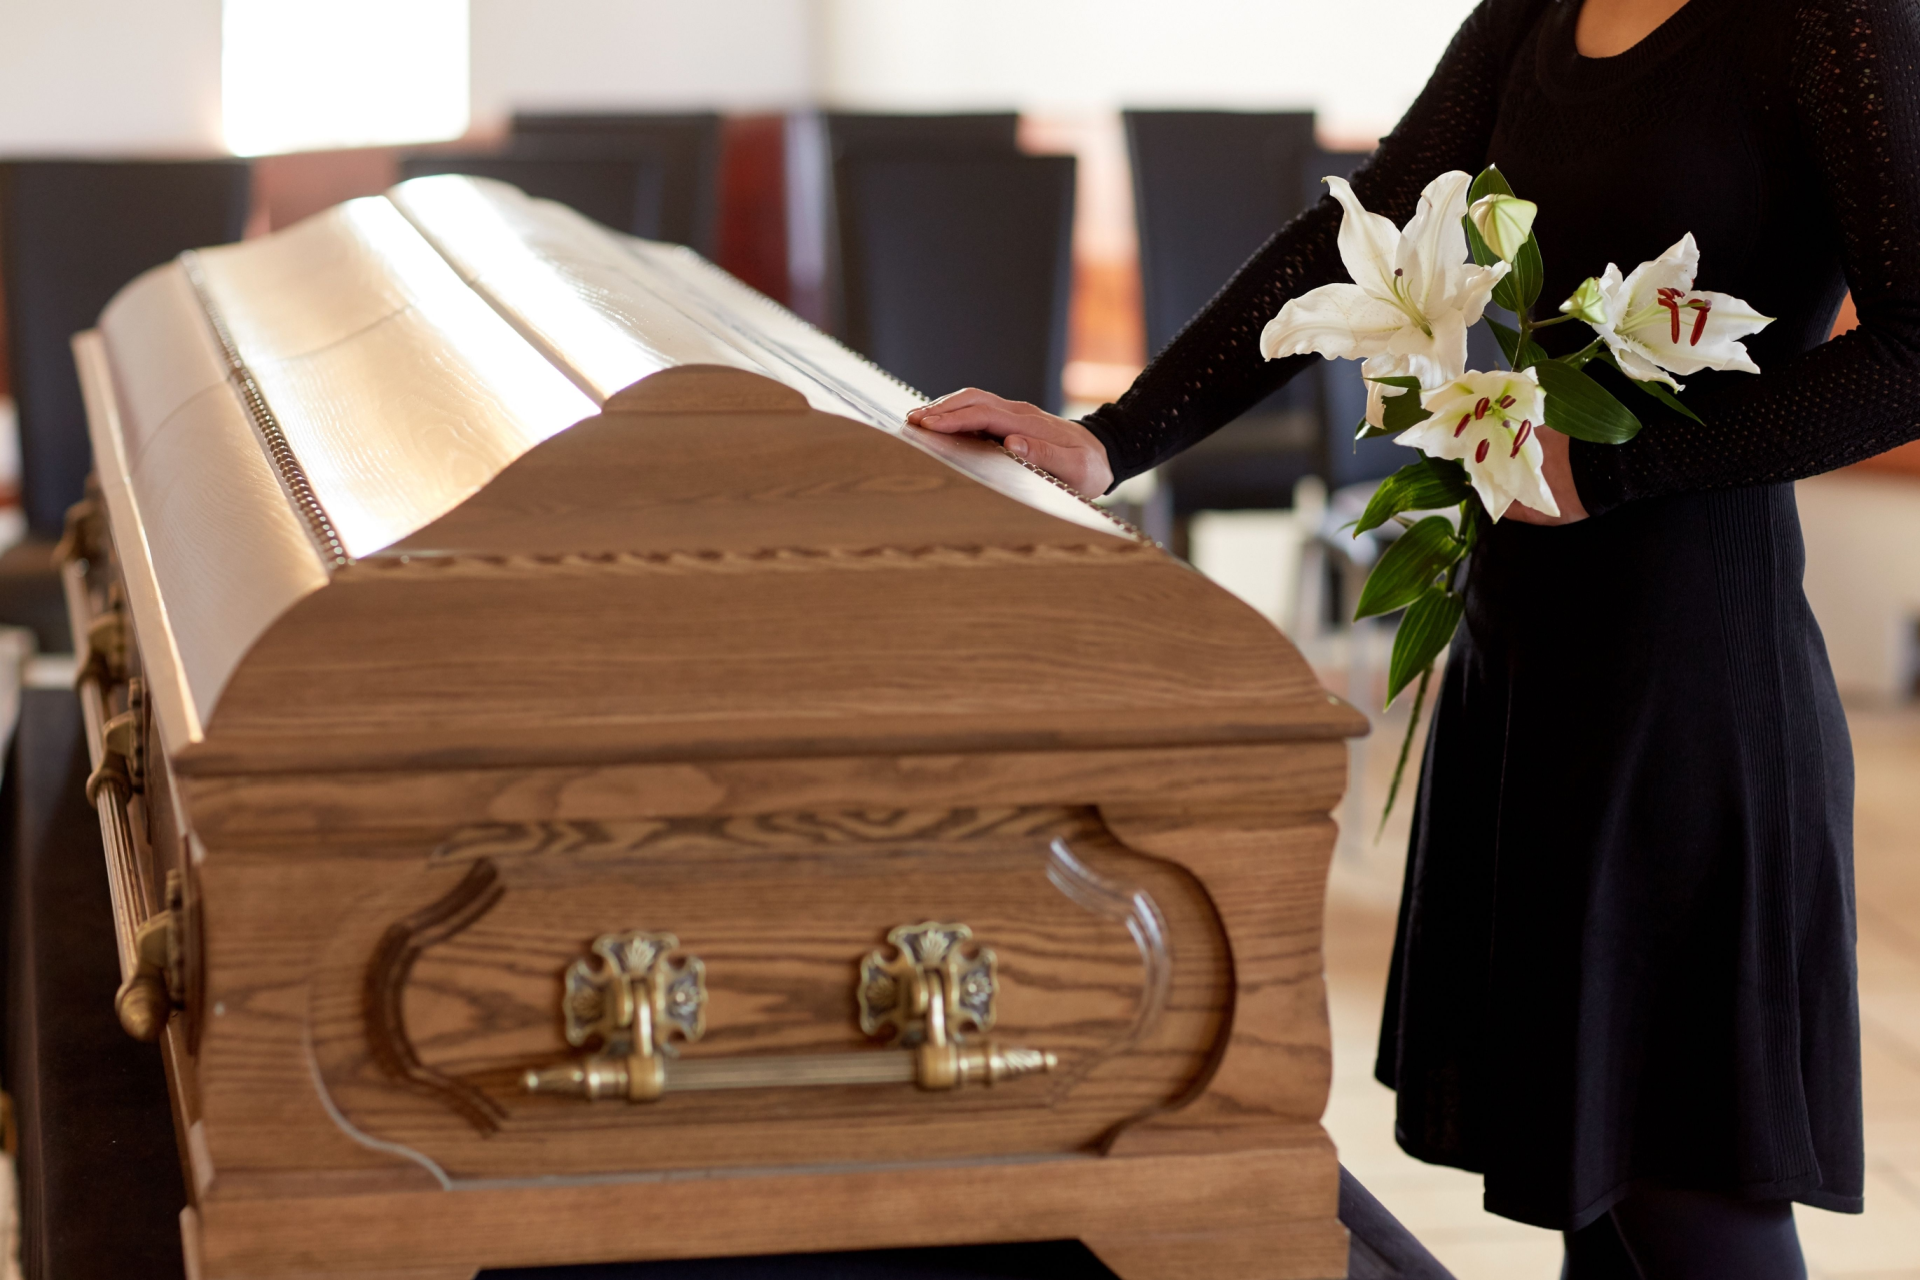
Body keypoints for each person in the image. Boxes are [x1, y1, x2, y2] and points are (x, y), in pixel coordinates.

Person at [907, 0, 1919, 1274]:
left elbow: (1916, 346)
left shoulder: (1833, 22)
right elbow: (1358, 234)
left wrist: (1619, 467)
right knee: (1596, 1181)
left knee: (1690, 1185)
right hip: (1531, 646)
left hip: (1694, 671)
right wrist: (1112, 437)